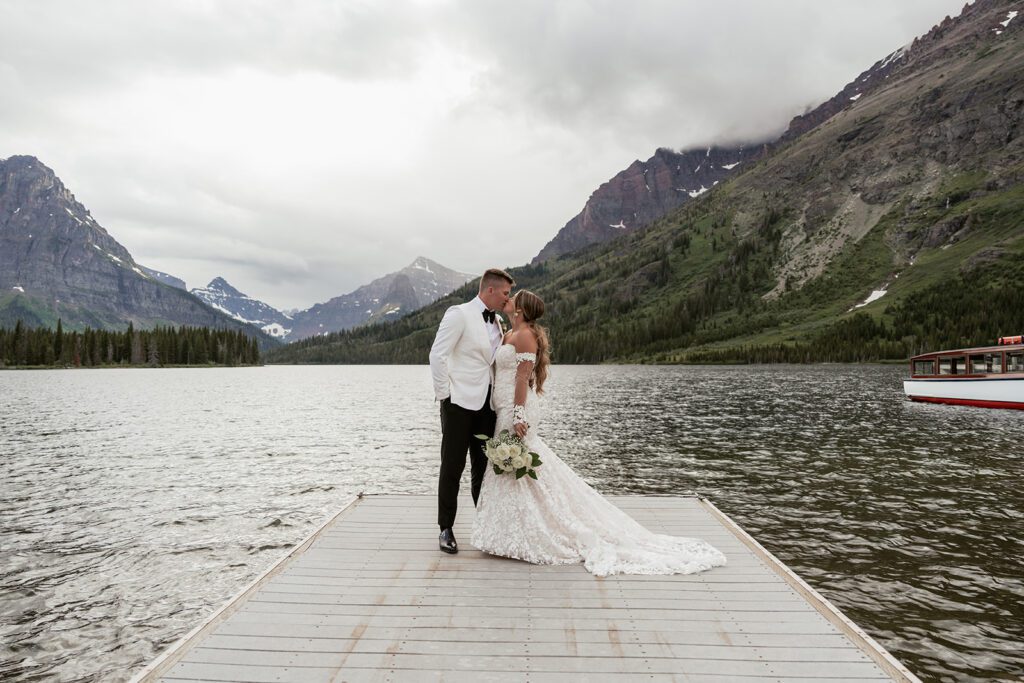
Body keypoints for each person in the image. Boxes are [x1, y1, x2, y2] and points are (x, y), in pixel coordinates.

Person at [471, 290, 727, 576]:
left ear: (520, 309)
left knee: (521, 463)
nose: (508, 298)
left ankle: (536, 532)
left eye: (512, 297)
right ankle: (510, 531)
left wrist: (518, 413)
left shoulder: (525, 335)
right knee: (513, 466)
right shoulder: (508, 332)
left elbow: (522, 377)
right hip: (503, 406)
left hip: (516, 408)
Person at [429, 268, 514, 554]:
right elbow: (437, 355)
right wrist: (446, 396)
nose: (508, 298)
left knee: (483, 468)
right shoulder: (459, 313)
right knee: (452, 466)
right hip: (457, 404)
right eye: (505, 293)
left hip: (486, 405)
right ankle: (445, 528)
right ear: (490, 290)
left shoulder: (499, 322)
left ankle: (485, 526)